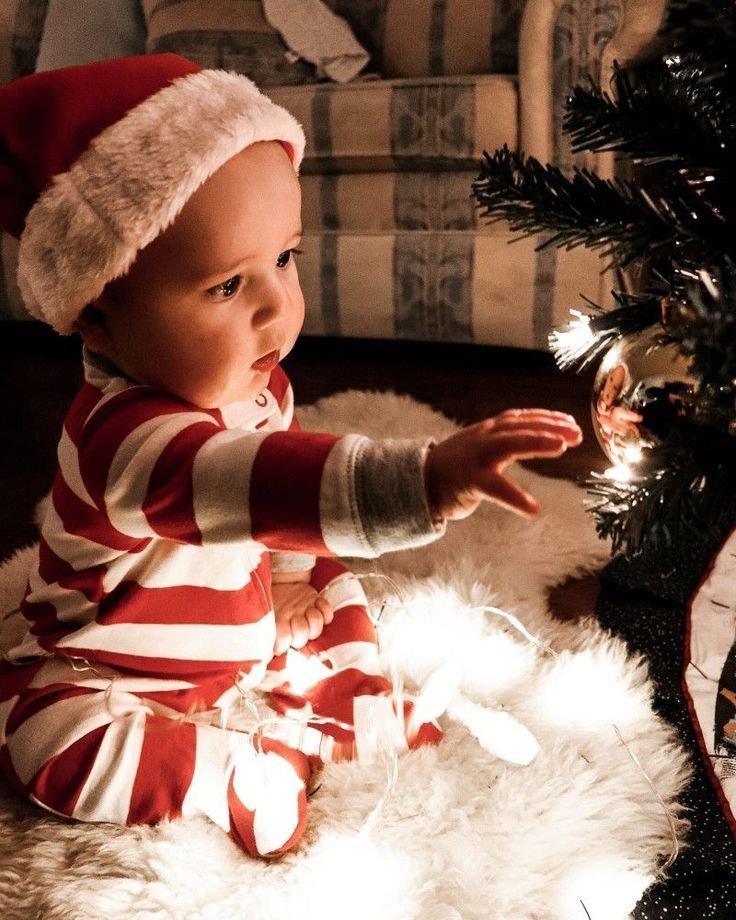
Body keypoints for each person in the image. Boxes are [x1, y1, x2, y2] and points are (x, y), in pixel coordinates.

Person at [0, 55, 581, 859]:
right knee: (44, 743)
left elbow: (271, 511)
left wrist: (291, 579)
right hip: (112, 668)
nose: (278, 305)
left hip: (240, 624)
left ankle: (351, 695)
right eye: (227, 288)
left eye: (284, 258)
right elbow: (259, 482)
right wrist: (420, 479)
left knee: (333, 575)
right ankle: (222, 772)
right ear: (100, 319)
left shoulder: (258, 383)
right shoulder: (122, 441)